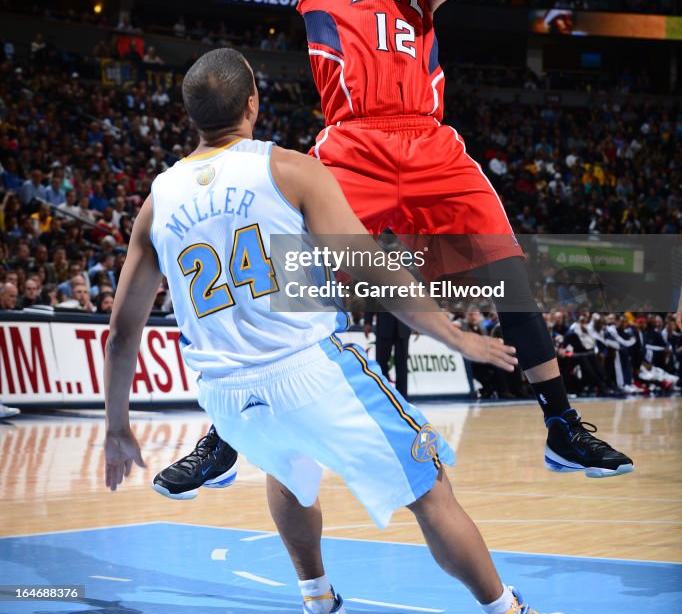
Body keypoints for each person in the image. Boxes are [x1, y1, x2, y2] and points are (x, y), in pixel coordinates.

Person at [158, 0, 631, 494]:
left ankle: (560, 421)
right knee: (294, 282)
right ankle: (225, 436)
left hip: (432, 142)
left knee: (507, 271)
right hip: (355, 141)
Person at [104, 48, 561, 614]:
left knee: (287, 469)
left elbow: (122, 333)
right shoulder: (291, 169)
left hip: (222, 394)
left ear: (190, 114)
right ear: (253, 103)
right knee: (431, 488)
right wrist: (456, 337)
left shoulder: (157, 200)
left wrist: (117, 427)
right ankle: (505, 609)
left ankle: (318, 600)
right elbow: (376, 272)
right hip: (309, 371)